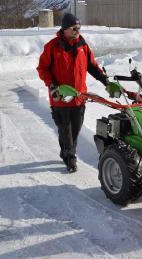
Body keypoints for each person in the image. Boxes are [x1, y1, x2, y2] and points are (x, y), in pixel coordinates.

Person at [37, 13, 109, 173]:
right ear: (65, 29)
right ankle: (70, 158)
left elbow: (92, 66)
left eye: (79, 28)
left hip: (79, 97)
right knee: (65, 129)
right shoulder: (52, 47)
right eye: (74, 28)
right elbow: (42, 69)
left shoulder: (82, 45)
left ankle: (66, 151)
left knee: (75, 130)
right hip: (60, 97)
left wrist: (105, 81)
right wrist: (52, 85)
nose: (78, 31)